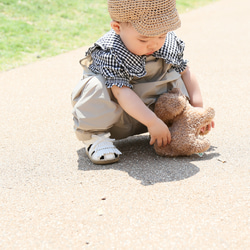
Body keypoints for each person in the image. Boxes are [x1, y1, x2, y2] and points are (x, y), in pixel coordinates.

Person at [71, 0, 214, 165]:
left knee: (175, 73)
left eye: (161, 35)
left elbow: (186, 72)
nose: (154, 44)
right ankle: (96, 138)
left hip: (160, 109)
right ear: (117, 28)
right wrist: (151, 122)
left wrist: (197, 110)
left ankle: (176, 127)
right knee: (96, 86)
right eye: (143, 39)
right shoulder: (110, 51)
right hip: (120, 118)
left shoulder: (168, 42)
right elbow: (121, 92)